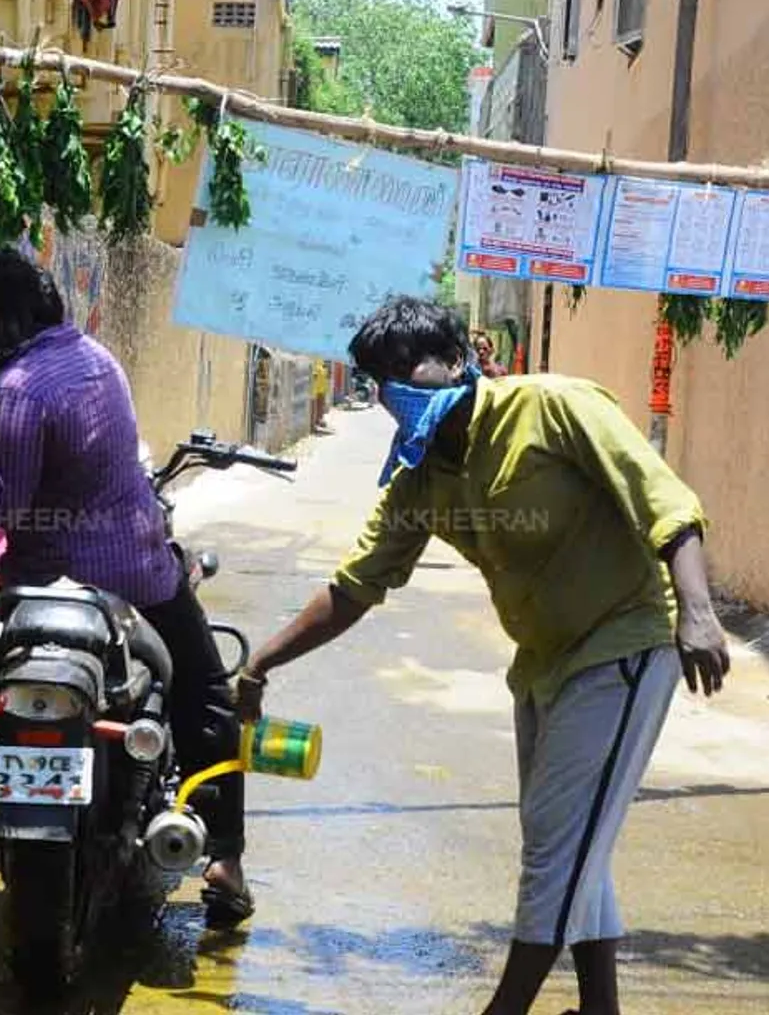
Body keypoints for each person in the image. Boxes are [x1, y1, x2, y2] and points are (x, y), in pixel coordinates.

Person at [234, 297, 731, 1015]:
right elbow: (354, 586)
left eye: (410, 368)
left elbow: (666, 503)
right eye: (381, 379)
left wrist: (700, 612)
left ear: (458, 359)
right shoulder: (421, 475)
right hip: (541, 664)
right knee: (569, 838)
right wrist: (260, 663)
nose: (396, 388)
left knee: (554, 853)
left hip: (623, 643)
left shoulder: (553, 406)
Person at [0, 248, 254, 927]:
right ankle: (223, 861)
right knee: (203, 691)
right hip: (135, 569)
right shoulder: (95, 362)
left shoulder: (17, 386)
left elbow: (4, 499)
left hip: (44, 581)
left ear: (4, 316)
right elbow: (38, 462)